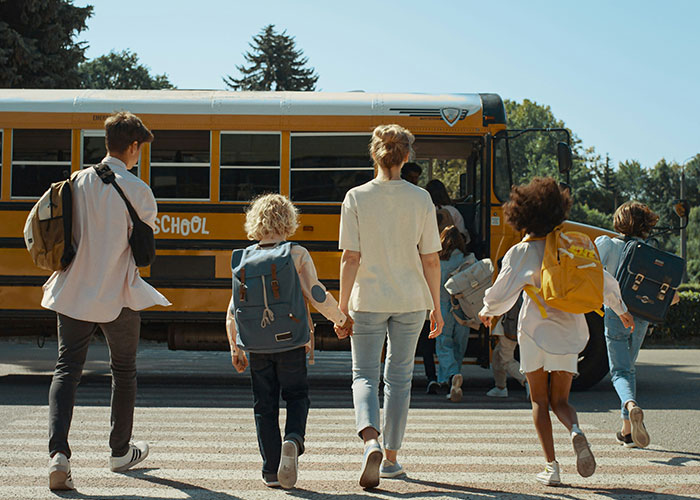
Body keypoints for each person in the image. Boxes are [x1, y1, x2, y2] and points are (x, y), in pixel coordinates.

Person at [42, 112, 171, 491]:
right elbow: (143, 251)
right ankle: (119, 451)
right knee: (124, 371)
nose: (138, 156)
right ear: (132, 147)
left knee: (67, 369)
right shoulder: (140, 190)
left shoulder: (75, 182)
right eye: (139, 150)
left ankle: (59, 456)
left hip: (74, 291)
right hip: (119, 294)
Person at [478, 177, 634, 486]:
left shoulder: (520, 252)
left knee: (539, 402)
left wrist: (488, 311)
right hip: (570, 331)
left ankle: (552, 467)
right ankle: (576, 431)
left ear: (522, 215)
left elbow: (501, 293)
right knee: (561, 401)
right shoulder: (569, 244)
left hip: (535, 331)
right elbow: (602, 280)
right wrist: (622, 310)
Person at [337, 124, 444, 488]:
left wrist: (341, 308)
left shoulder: (356, 197)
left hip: (367, 299)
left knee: (363, 374)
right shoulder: (421, 199)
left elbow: (350, 257)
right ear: (407, 156)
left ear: (375, 153)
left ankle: (371, 442)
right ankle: (392, 459)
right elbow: (430, 259)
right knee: (398, 379)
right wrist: (437, 307)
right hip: (411, 299)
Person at [226, 194, 351, 489]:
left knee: (264, 406)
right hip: (292, 342)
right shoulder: (296, 253)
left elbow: (233, 309)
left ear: (255, 222)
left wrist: (235, 346)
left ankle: (271, 470)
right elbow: (316, 293)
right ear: (288, 221)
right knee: (296, 396)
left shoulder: (243, 257)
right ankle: (293, 439)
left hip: (256, 344)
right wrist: (341, 320)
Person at [595, 201, 678, 449]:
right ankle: (627, 431)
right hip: (641, 315)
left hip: (615, 313)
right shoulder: (650, 252)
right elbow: (669, 294)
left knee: (619, 371)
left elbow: (592, 275)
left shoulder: (607, 244)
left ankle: (631, 406)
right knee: (629, 368)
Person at [435, 225, 472, 402]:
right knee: (459, 346)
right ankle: (451, 381)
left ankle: (451, 375)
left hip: (443, 308)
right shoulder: (469, 261)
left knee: (443, 345)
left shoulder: (438, 262)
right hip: (464, 309)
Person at [486, 298, 529, 398]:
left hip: (509, 324)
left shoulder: (511, 283)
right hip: (514, 323)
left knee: (506, 360)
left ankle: (528, 381)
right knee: (497, 355)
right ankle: (500, 387)